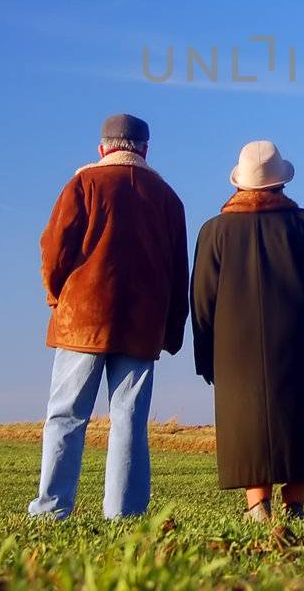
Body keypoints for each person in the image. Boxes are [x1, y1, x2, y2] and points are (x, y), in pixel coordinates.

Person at [28, 114, 189, 520]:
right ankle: (125, 514)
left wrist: (55, 295)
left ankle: (51, 510)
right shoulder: (168, 198)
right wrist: (171, 330)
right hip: (142, 324)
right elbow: (177, 270)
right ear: (145, 150)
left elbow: (54, 250)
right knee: (130, 421)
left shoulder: (83, 184)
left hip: (82, 320)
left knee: (66, 414)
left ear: (102, 148)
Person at [191, 140, 304, 522]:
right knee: (300, 419)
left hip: (235, 351)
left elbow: (201, 298)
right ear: (281, 184)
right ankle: (294, 506)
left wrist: (205, 354)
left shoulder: (214, 231)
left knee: (248, 424)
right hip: (302, 344)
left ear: (239, 185)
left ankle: (256, 505)